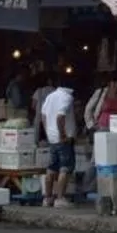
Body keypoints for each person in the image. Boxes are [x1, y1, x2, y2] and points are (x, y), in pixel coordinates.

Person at [39, 78, 77, 208]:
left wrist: (48, 131)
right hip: (63, 139)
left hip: (52, 138)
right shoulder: (67, 97)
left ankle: (47, 198)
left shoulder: (50, 96)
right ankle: (60, 198)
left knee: (51, 168)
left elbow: (43, 115)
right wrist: (63, 134)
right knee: (65, 168)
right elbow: (60, 116)